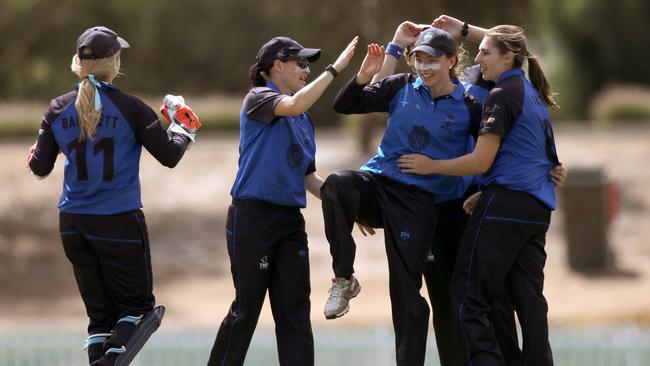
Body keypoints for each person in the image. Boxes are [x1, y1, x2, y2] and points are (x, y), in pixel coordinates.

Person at [26, 26, 200, 366]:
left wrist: (36, 152)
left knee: (100, 319)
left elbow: (39, 167)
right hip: (118, 222)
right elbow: (169, 155)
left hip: (73, 225)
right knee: (137, 309)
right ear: (114, 63)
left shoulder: (56, 108)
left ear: (77, 63)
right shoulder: (132, 108)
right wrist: (184, 128)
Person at [398, 19, 560, 366]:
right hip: (536, 210)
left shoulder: (502, 92)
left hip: (506, 206)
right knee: (529, 301)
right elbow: (540, 159)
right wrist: (465, 28)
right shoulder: (531, 91)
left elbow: (481, 161)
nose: (479, 58)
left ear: (509, 56)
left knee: (468, 295)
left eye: (486, 53)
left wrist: (431, 166)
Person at [324, 26, 486, 365]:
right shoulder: (401, 86)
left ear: (452, 61)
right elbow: (345, 104)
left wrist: (447, 172)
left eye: (432, 61)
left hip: (418, 203)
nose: (424, 68)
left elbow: (489, 153)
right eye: (419, 60)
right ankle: (343, 278)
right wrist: (363, 75)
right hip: (378, 184)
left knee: (405, 294)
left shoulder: (470, 103)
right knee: (336, 185)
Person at [206, 35, 359, 366]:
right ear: (277, 66)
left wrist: (343, 207)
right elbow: (296, 103)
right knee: (246, 311)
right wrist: (335, 69)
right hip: (253, 218)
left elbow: (308, 179)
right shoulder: (259, 98)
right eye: (301, 63)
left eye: (309, 65)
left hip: (290, 223)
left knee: (295, 314)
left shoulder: (304, 123)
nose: (305, 70)